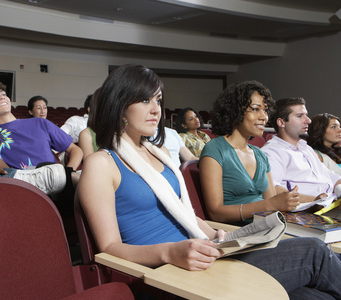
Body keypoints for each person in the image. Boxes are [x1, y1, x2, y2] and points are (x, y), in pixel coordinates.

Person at [77, 65, 341, 299]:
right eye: (145, 100)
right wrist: (169, 253)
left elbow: (188, 217)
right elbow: (108, 248)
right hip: (166, 275)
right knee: (315, 253)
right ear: (120, 105)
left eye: (157, 99)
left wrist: (217, 234)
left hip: (205, 254)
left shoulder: (157, 155)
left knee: (313, 294)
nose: (156, 109)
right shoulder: (101, 163)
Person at [199, 81, 301, 224]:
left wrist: (286, 201)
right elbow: (215, 212)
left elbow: (272, 204)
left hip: (266, 227)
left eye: (265, 110)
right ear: (234, 112)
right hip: (237, 232)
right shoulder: (215, 150)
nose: (264, 117)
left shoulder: (260, 155)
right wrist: (270, 205)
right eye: (255, 109)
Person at [0, 82, 83, 171]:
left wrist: (67, 173)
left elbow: (75, 150)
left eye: (3, 94)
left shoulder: (40, 123)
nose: (2, 97)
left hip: (54, 176)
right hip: (23, 185)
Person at [262, 98, 341, 202]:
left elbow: (330, 176)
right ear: (281, 122)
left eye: (306, 115)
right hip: (306, 212)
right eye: (299, 116)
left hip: (330, 204)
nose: (308, 120)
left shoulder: (306, 148)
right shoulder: (272, 152)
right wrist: (315, 200)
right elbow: (272, 189)